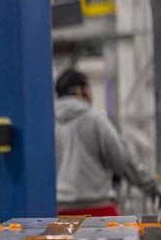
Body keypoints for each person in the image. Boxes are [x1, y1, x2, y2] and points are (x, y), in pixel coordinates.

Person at [54, 68, 161, 216]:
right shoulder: (95, 120)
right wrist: (152, 187)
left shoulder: (47, 124)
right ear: (80, 91)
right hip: (97, 209)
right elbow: (123, 161)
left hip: (57, 212)